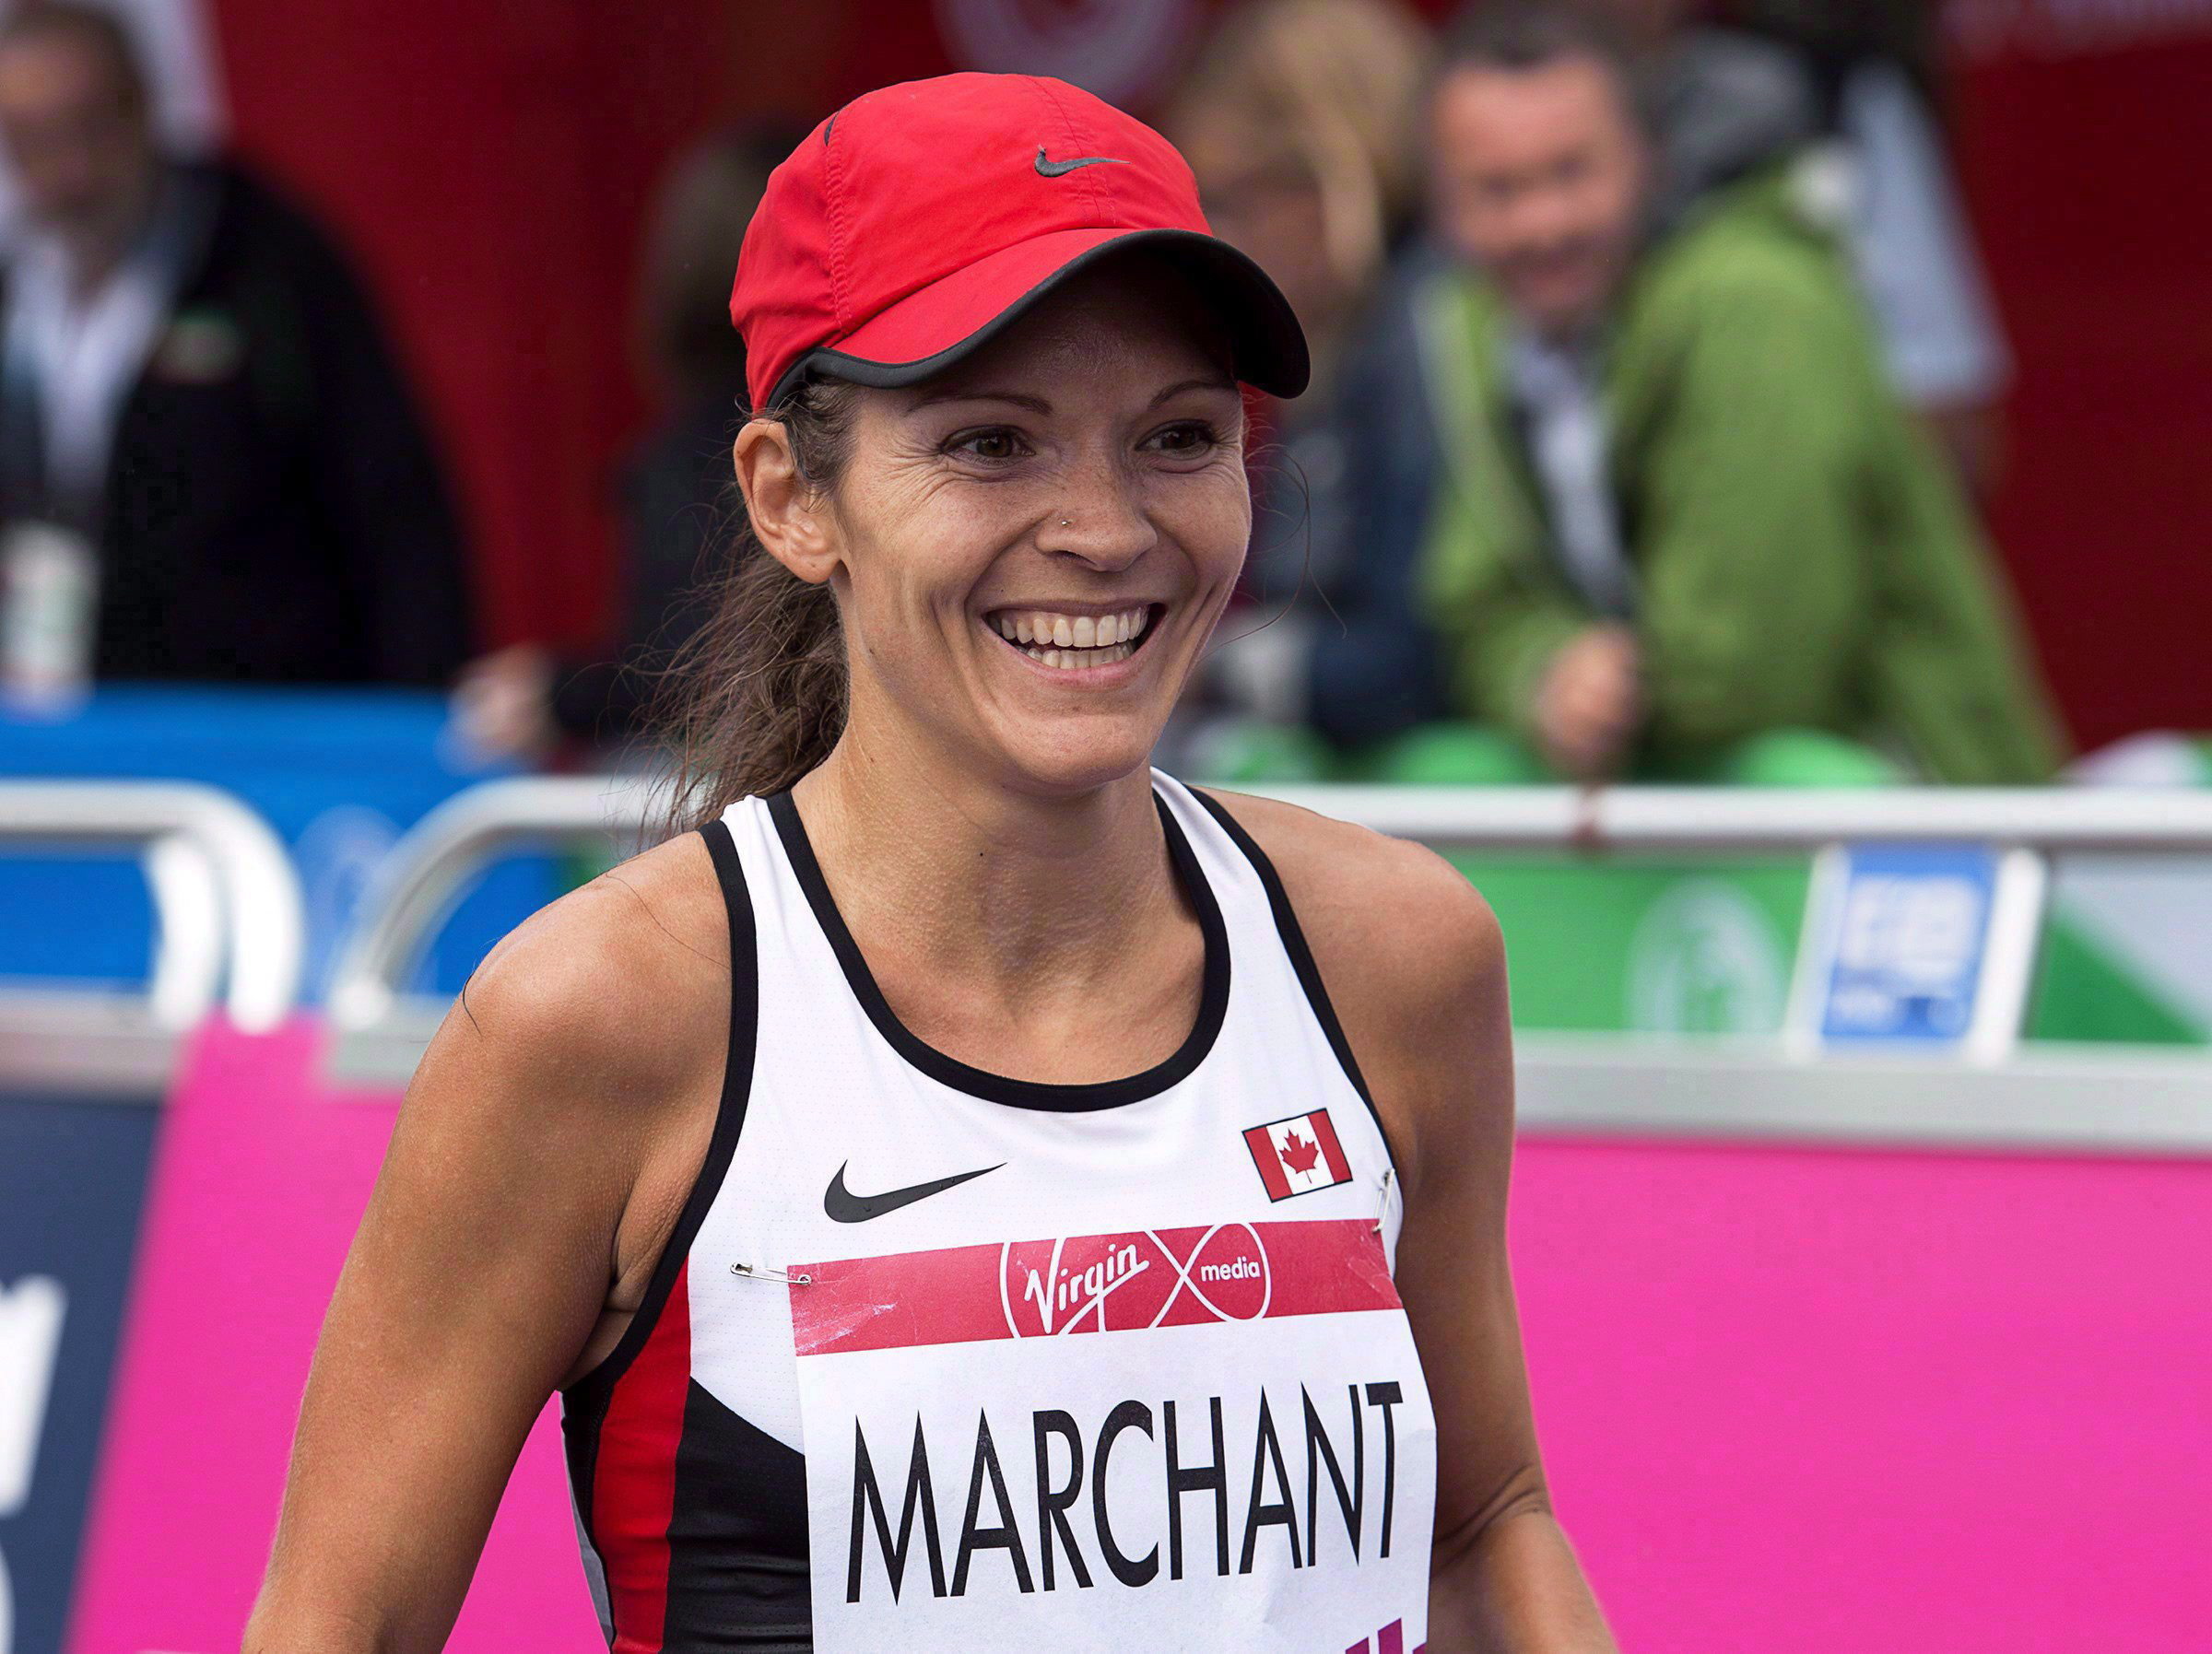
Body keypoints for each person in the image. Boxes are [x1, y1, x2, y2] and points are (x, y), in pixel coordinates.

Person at [244, 73, 1616, 1652]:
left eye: (1179, 437)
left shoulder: (1394, 951)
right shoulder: (601, 1021)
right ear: (790, 498)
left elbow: (1486, 1522)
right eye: (991, 444)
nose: (1105, 528)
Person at [1410, 1, 2059, 787]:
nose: (1543, 223)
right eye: (1498, 189)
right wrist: (1544, 675)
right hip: (1721, 851)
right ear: (1442, 206)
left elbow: (1752, 670)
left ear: (1647, 157)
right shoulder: (1483, 323)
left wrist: (1602, 692)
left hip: (1922, 822)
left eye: (1571, 171)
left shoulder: (1755, 300)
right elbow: (1470, 601)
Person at [0, 2, 468, 689]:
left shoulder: (266, 262)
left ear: (142, 109)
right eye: (32, 139)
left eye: (87, 128)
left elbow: (396, 507)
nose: (69, 171)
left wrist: (416, 718)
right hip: (67, 728)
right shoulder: (18, 289)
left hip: (262, 726)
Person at [455, 128, 798, 761]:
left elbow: (692, 664)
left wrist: (557, 694)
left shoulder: (696, 456)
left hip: (741, 794)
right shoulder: (841, 429)